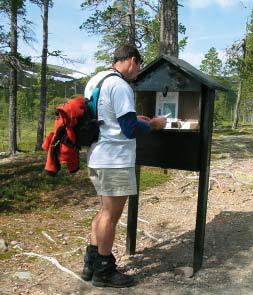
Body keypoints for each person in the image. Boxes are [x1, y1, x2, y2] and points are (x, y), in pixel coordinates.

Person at [82, 45, 166, 288]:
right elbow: (128, 129)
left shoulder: (96, 79)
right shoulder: (120, 85)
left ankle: (92, 262)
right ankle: (104, 271)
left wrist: (134, 118)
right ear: (131, 60)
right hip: (115, 160)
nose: (139, 71)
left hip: (98, 156)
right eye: (139, 65)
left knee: (102, 211)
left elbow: (109, 119)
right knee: (111, 215)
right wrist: (155, 124)